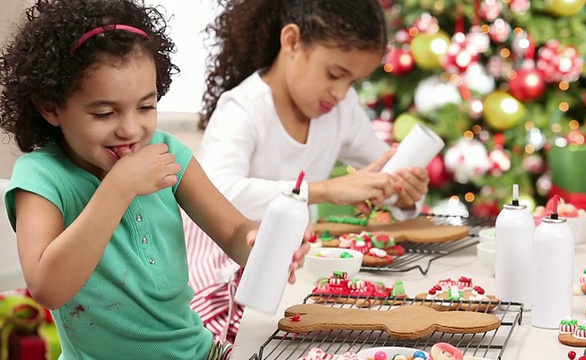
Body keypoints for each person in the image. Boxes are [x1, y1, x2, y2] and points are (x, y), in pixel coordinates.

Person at [0, 0, 310, 359]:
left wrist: (262, 245)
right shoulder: (41, 179)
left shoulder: (168, 153)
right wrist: (119, 187)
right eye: (104, 112)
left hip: (201, 353)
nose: (131, 129)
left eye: (146, 107)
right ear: (51, 107)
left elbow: (232, 232)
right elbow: (48, 288)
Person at [182, 0, 430, 343]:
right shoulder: (244, 108)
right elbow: (216, 192)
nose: (341, 94)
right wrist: (328, 190)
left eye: (353, 81)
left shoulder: (339, 111)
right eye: (334, 74)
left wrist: (404, 193)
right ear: (292, 41)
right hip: (219, 286)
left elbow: (381, 175)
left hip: (290, 274)